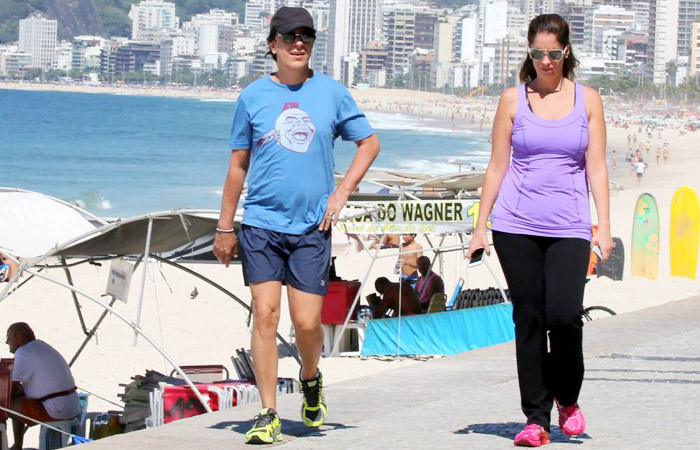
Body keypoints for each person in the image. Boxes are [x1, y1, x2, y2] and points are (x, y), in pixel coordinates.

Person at [212, 7, 379, 445]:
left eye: (305, 35)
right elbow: (237, 164)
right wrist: (225, 227)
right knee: (265, 315)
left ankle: (310, 377)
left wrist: (341, 194)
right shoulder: (251, 97)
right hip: (262, 223)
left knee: (307, 325)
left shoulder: (331, 93)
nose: (298, 42)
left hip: (311, 228)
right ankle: (267, 412)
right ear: (273, 45)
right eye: (289, 36)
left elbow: (369, 143)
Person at [467, 14, 612, 447]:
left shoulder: (588, 100)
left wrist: (603, 226)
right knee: (528, 318)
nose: (545, 61)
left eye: (553, 52)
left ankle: (567, 398)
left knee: (564, 317)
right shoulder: (513, 100)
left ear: (566, 52)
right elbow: (497, 166)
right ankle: (535, 417)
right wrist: (480, 228)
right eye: (537, 53)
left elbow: (597, 166)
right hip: (515, 224)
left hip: (569, 224)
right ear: (528, 53)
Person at [6, 323, 81, 450]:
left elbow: (9, 390)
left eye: (9, 338)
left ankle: (14, 446)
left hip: (55, 409)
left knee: (5, 406)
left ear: (19, 337)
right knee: (18, 401)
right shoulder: (42, 346)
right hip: (72, 406)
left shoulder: (23, 352)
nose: (7, 342)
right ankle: (17, 445)